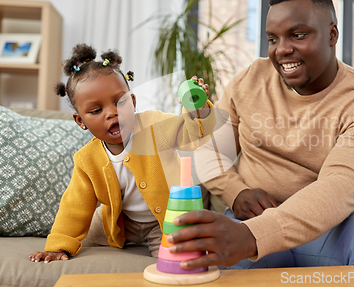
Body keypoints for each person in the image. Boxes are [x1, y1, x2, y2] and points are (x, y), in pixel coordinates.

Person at [165, 0, 354, 286]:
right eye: (272, 39)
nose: (282, 50)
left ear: (332, 34)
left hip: (330, 229)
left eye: (298, 35)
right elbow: (213, 150)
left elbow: (338, 188)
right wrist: (236, 194)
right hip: (250, 220)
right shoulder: (248, 81)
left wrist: (252, 236)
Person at [28, 43, 215, 263]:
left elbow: (191, 135)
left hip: (161, 222)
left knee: (176, 260)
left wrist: (198, 113)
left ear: (133, 102)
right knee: (82, 239)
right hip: (117, 222)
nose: (112, 113)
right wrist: (59, 247)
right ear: (81, 121)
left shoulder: (154, 126)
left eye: (120, 102)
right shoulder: (86, 160)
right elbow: (74, 207)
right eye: (96, 110)